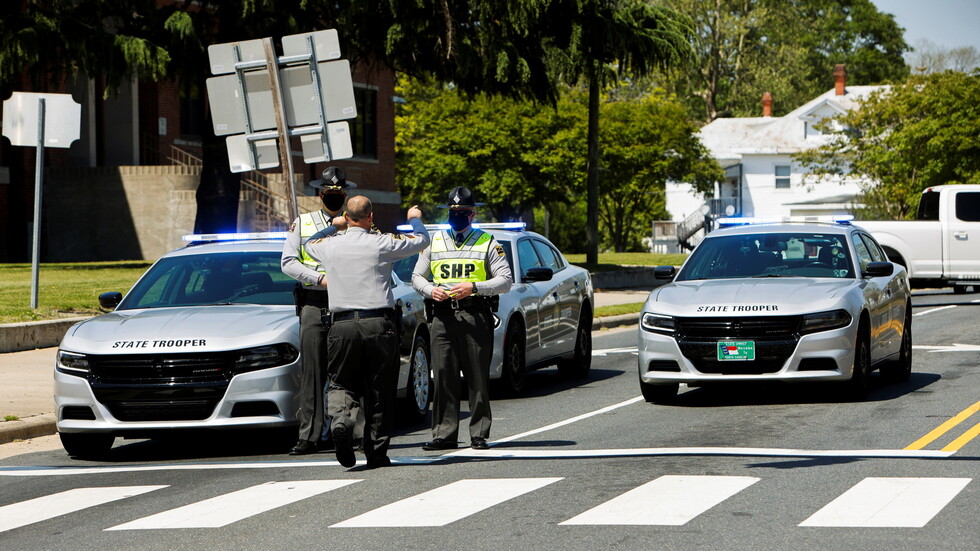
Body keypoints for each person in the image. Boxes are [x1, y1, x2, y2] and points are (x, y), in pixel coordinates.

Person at [304, 196, 429, 468]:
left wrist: (332, 227)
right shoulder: (382, 242)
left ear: (347, 218)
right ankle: (375, 452)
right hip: (378, 324)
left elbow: (307, 244)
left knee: (341, 382)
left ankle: (341, 422)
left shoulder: (330, 246)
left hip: (341, 325)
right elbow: (422, 240)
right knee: (380, 388)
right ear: (371, 217)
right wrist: (414, 218)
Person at [412, 186, 513, 451]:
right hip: (442, 316)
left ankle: (479, 433)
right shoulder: (434, 242)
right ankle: (444, 434)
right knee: (443, 376)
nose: (458, 216)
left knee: (477, 376)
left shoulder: (488, 242)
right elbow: (417, 277)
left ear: (473, 214)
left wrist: (475, 287)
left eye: (463, 212)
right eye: (454, 212)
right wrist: (429, 290)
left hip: (474, 314)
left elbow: (505, 280)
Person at [280, 166, 353, 455]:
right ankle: (309, 435)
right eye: (327, 194)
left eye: (338, 194)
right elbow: (288, 262)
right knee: (312, 373)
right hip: (314, 301)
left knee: (347, 371)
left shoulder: (356, 223)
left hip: (346, 303)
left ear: (345, 195)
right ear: (319, 194)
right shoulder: (303, 223)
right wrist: (319, 278)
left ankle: (347, 431)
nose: (333, 197)